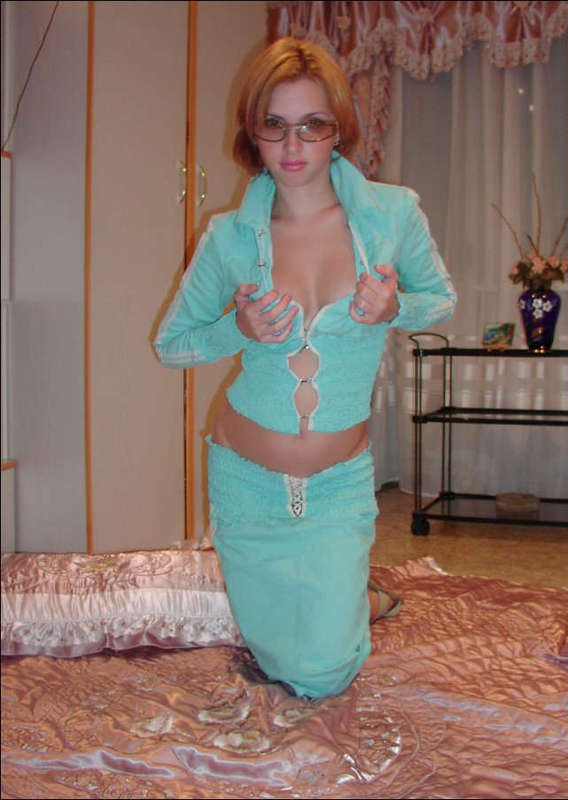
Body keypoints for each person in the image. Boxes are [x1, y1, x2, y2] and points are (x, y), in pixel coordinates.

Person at [154, 37, 456, 699]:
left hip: (338, 485)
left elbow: (441, 299)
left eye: (312, 125)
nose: (293, 146)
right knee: (278, 655)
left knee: (323, 671)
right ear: (253, 132)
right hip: (246, 484)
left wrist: (395, 307)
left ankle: (360, 600)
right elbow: (172, 345)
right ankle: (344, 599)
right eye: (275, 125)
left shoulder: (391, 214)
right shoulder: (229, 236)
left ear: (338, 128)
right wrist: (238, 328)